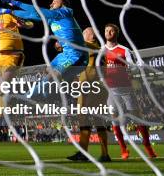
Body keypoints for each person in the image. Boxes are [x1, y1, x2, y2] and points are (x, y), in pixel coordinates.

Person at [0, 0, 87, 78]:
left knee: (52, 77)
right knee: (48, 70)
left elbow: (37, 10)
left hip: (77, 54)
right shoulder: (51, 18)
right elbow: (30, 14)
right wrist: (10, 11)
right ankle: (65, 91)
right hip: (65, 54)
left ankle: (32, 94)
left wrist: (14, 2)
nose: (51, 4)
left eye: (55, 2)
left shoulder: (65, 12)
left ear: (62, 4)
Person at [103, 24, 157, 160]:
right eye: (106, 30)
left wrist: (130, 69)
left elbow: (133, 66)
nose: (109, 32)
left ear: (116, 33)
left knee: (137, 118)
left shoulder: (124, 50)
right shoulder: (100, 51)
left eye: (112, 30)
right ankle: (123, 149)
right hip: (111, 91)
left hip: (126, 90)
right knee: (115, 121)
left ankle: (148, 146)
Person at [66, 27, 111, 162]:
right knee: (98, 121)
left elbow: (76, 43)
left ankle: (83, 153)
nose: (82, 36)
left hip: (89, 88)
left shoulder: (91, 46)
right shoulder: (97, 49)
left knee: (83, 119)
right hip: (99, 87)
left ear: (91, 36)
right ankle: (104, 154)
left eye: (84, 33)